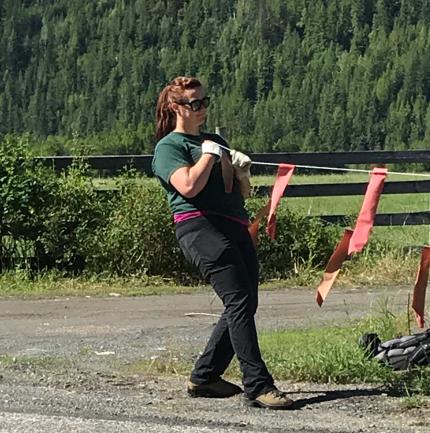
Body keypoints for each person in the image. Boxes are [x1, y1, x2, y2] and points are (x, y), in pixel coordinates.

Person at [151, 76, 293, 409]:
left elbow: (236, 190)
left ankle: (205, 377)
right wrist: (207, 156)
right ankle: (258, 385)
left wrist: (241, 172)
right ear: (176, 108)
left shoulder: (214, 140)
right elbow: (188, 187)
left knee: (245, 301)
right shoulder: (169, 148)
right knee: (238, 299)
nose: (201, 109)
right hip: (198, 227)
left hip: (233, 224)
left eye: (204, 101)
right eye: (193, 104)